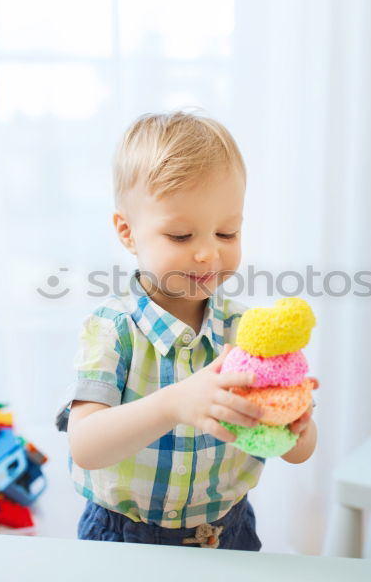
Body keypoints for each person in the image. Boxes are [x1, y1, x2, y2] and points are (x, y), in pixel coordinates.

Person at [54, 111, 318, 550]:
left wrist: (296, 426)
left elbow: (297, 452)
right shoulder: (113, 330)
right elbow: (85, 445)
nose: (207, 254)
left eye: (226, 232)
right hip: (124, 537)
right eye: (180, 236)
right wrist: (174, 403)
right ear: (128, 232)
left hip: (226, 533)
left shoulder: (245, 332)